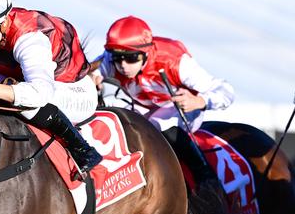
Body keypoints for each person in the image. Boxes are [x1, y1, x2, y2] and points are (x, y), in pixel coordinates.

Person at [0, 0, 101, 176]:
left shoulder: (30, 39)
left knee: (26, 102)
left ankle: (83, 150)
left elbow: (40, 94)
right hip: (49, 85)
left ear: (5, 21)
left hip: (77, 93)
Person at [92, 16, 235, 188]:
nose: (123, 65)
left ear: (146, 52)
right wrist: (91, 80)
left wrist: (200, 100)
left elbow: (226, 90)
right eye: (117, 57)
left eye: (131, 58)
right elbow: (87, 75)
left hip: (182, 106)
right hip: (142, 108)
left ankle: (206, 179)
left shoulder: (174, 60)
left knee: (156, 127)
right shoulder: (110, 59)